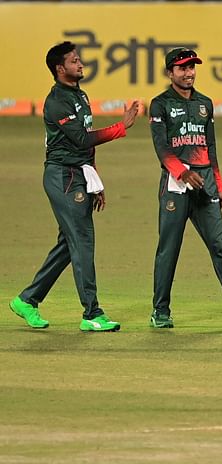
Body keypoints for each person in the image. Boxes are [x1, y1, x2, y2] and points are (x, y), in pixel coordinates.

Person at [9, 41, 139, 332]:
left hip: (78, 174)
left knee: (69, 245)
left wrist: (94, 179)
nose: (81, 65)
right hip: (62, 176)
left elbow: (86, 140)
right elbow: (81, 140)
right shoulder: (56, 101)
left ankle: (27, 300)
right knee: (82, 241)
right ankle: (92, 313)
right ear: (60, 69)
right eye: (74, 61)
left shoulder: (80, 95)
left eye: (79, 60)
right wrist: (121, 127)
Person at [148, 47, 222, 328]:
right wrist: (182, 172)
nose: (188, 72)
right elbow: (161, 146)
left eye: (192, 67)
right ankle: (160, 311)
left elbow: (211, 147)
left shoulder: (205, 102)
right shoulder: (160, 104)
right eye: (182, 68)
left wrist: (220, 185)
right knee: (169, 248)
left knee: (220, 246)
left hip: (206, 184)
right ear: (171, 73)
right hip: (175, 185)